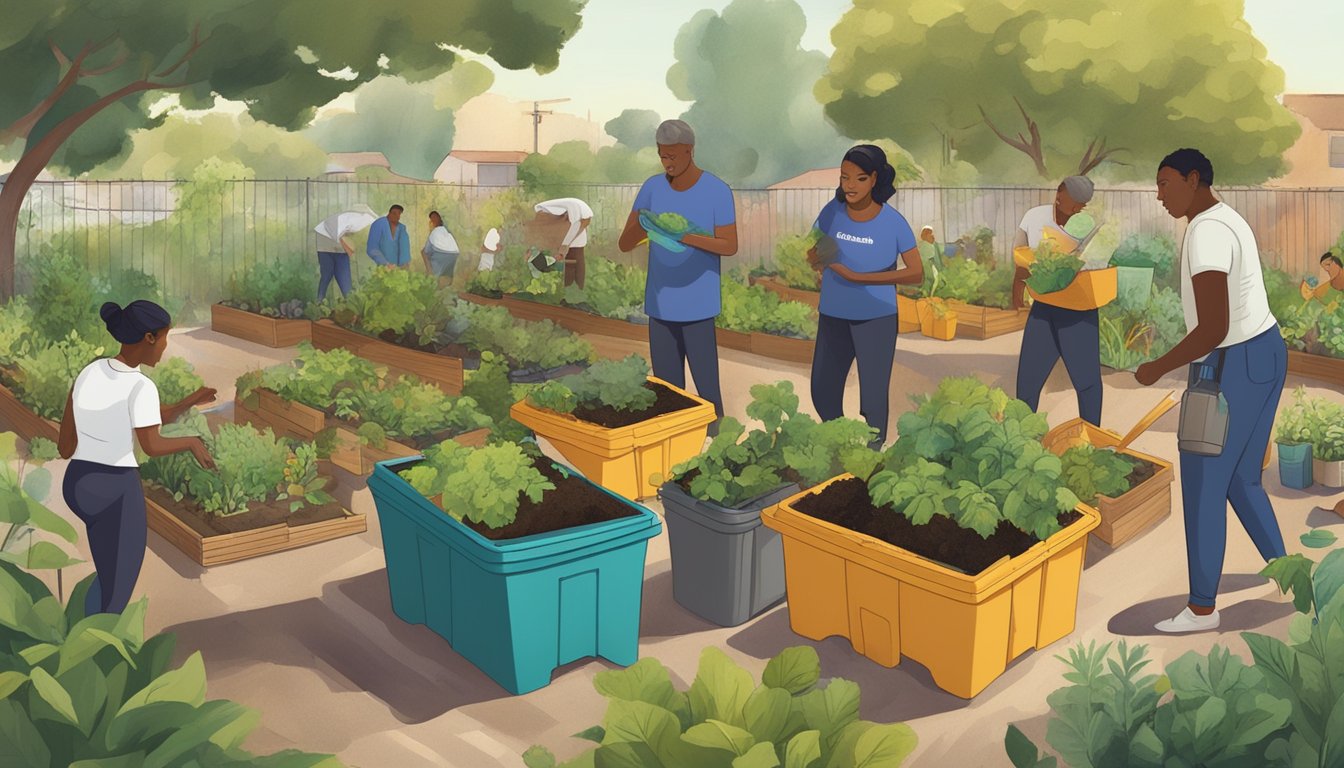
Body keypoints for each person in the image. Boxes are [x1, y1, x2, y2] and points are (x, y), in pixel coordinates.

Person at [1135, 148, 1287, 633]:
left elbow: (1214, 328)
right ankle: (1287, 573)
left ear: (1193, 178)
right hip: (1266, 350)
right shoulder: (1227, 218)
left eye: (1165, 183)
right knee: (1242, 479)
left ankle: (1203, 608)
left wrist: (1157, 368)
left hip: (1228, 364)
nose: (1159, 195)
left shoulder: (1206, 233)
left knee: (1203, 485)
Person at [58, 301, 217, 616]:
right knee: (116, 590)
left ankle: (77, 634)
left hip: (78, 483)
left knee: (107, 576)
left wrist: (192, 400)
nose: (164, 348)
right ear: (149, 338)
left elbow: (65, 446)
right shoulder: (141, 385)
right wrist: (192, 442)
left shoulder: (90, 372)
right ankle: (94, 654)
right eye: (165, 339)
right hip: (115, 489)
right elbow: (152, 444)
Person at [618, 119, 736, 435]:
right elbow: (624, 243)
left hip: (699, 306)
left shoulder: (716, 191)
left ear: (689, 150)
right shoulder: (651, 189)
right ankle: (674, 445)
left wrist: (684, 235)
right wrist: (644, 225)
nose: (668, 163)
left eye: (673, 156)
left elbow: (730, 245)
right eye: (662, 156)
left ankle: (715, 442)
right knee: (667, 392)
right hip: (660, 304)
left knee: (707, 390)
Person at [807, 145, 923, 449]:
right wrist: (818, 256)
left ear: (874, 179)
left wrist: (860, 277)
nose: (849, 186)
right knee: (822, 390)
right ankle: (840, 442)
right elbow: (812, 251)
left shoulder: (893, 223)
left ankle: (871, 455)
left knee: (872, 396)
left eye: (858, 179)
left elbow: (915, 273)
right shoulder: (831, 212)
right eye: (844, 178)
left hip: (876, 318)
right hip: (833, 313)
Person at [1012, 175, 1104, 425]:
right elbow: (1020, 255)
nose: (1077, 209)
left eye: (1082, 205)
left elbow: (1097, 263)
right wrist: (1017, 290)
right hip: (1043, 309)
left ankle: (1091, 438)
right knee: (1028, 381)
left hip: (1078, 310)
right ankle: (1021, 436)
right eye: (1074, 203)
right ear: (1059, 195)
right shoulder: (1034, 217)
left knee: (1086, 381)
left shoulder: (1089, 225)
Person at [314, 207, 375, 301]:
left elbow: (350, 236)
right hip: (325, 242)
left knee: (345, 280)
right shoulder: (338, 221)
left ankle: (350, 303)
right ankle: (319, 302)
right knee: (327, 274)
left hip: (340, 247)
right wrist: (348, 249)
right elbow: (338, 236)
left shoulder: (360, 222)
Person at [534, 197, 594, 288]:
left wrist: (563, 247)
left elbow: (577, 225)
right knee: (573, 261)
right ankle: (572, 288)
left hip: (577, 227)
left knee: (575, 260)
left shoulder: (574, 208)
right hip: (577, 226)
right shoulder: (560, 212)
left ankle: (574, 288)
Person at [421, 210, 461, 284]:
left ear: (431, 222)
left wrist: (429, 268)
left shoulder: (434, 232)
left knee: (423, 253)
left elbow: (426, 251)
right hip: (454, 254)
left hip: (441, 254)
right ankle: (447, 281)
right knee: (446, 272)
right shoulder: (445, 231)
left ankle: (431, 275)